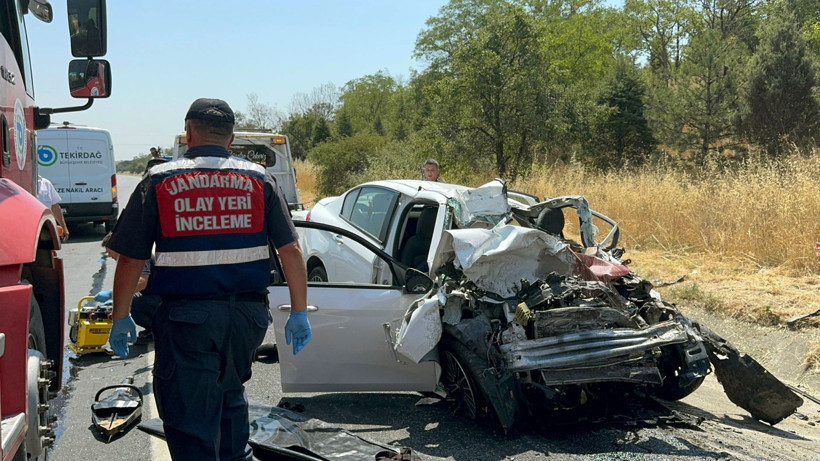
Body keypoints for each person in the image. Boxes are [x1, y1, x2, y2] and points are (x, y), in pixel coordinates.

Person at [106, 98, 310, 461]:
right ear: (231, 139)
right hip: (247, 320)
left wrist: (121, 317)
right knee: (230, 398)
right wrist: (298, 311)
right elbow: (291, 250)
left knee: (189, 417)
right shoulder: (259, 178)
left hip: (189, 321)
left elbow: (131, 260)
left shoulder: (160, 179)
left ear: (189, 133)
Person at [37, 175, 69, 241]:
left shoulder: (46, 183)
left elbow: (54, 206)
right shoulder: (16, 184)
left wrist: (64, 228)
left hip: (45, 231)